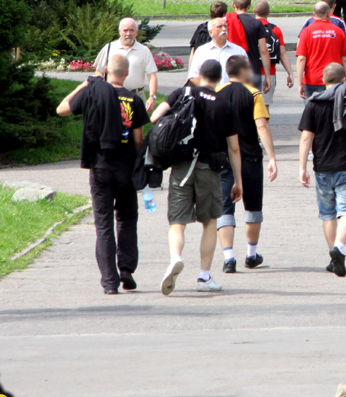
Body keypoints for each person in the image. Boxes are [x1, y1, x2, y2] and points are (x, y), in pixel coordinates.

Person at [57, 55, 150, 295]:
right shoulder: (135, 99)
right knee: (127, 218)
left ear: (106, 71)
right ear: (127, 74)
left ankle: (110, 282)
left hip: (100, 166)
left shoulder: (93, 93)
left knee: (104, 222)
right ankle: (127, 269)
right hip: (126, 168)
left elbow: (61, 109)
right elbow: (138, 139)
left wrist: (82, 86)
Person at [150, 60, 243, 295]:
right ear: (220, 79)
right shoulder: (225, 104)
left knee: (177, 222)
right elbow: (233, 148)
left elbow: (154, 118)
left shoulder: (182, 93)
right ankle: (204, 277)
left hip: (182, 166)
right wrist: (238, 180)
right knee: (210, 221)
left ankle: (175, 258)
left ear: (199, 75)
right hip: (209, 168)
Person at [299, 63, 346, 277]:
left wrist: (302, 167)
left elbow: (306, 137)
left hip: (322, 167)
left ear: (324, 81)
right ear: (344, 79)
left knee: (328, 213)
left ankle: (333, 256)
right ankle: (338, 248)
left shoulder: (314, 103)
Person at [216, 55, 278, 272]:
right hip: (250, 157)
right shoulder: (253, 94)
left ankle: (228, 258)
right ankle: (251, 255)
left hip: (223, 159)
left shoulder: (217, 94)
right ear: (243, 71)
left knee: (225, 208)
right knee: (253, 207)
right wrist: (272, 158)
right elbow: (261, 127)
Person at [93, 18, 158, 113]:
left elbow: (152, 76)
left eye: (132, 30)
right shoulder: (109, 48)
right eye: (125, 30)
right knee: (113, 127)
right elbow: (99, 72)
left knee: (137, 127)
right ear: (120, 32)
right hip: (113, 96)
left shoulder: (144, 50)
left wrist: (152, 97)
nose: (128, 34)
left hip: (137, 97)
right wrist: (101, 92)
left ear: (137, 32)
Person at [297, 1, 346, 100]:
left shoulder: (306, 32)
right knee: (333, 112)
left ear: (314, 14)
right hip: (334, 79)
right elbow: (345, 60)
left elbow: (301, 58)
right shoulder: (338, 31)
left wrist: (300, 83)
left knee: (311, 113)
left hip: (311, 80)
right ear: (328, 13)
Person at [225, 0, 273, 95]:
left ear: (234, 5)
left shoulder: (227, 22)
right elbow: (264, 51)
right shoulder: (257, 23)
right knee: (253, 104)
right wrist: (267, 76)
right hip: (253, 70)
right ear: (249, 6)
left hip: (233, 70)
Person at [253, 0, 294, 107]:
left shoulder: (248, 27)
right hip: (269, 73)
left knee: (249, 108)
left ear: (254, 11)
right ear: (269, 12)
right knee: (264, 107)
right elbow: (283, 53)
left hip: (249, 72)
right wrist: (290, 73)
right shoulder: (275, 30)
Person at [188, 17, 247, 81]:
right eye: (219, 26)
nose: (224, 29)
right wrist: (206, 89)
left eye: (225, 26)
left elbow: (247, 75)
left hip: (232, 90)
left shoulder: (239, 51)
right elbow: (193, 76)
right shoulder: (202, 51)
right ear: (211, 32)